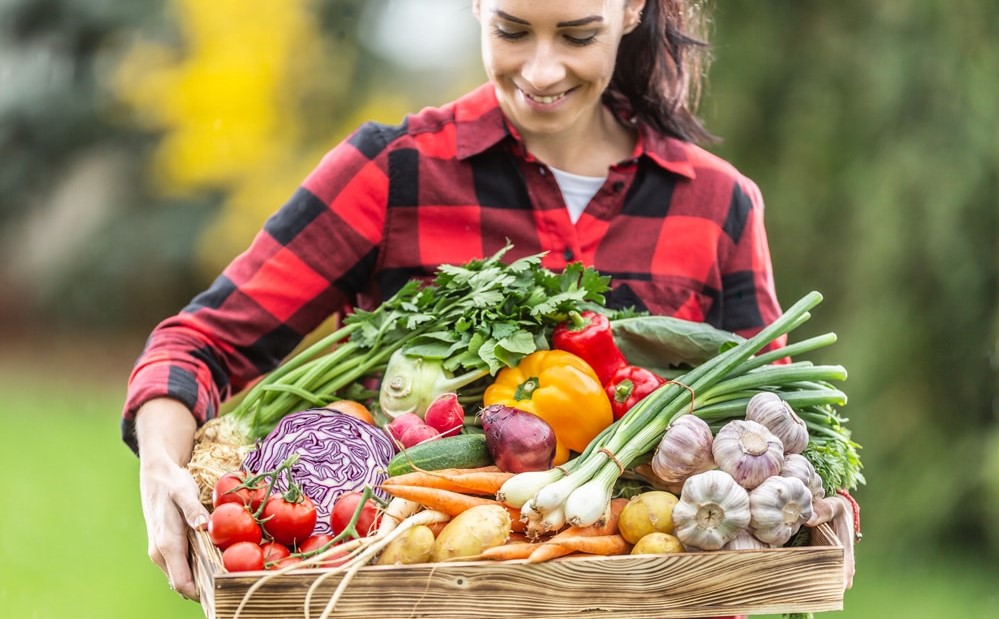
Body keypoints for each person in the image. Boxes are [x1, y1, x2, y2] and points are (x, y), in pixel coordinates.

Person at [122, 0, 857, 609]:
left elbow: (782, 422)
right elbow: (200, 343)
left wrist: (825, 505)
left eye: (576, 35)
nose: (540, 70)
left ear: (631, 9)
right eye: (510, 30)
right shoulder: (395, 171)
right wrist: (161, 467)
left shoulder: (715, 203)